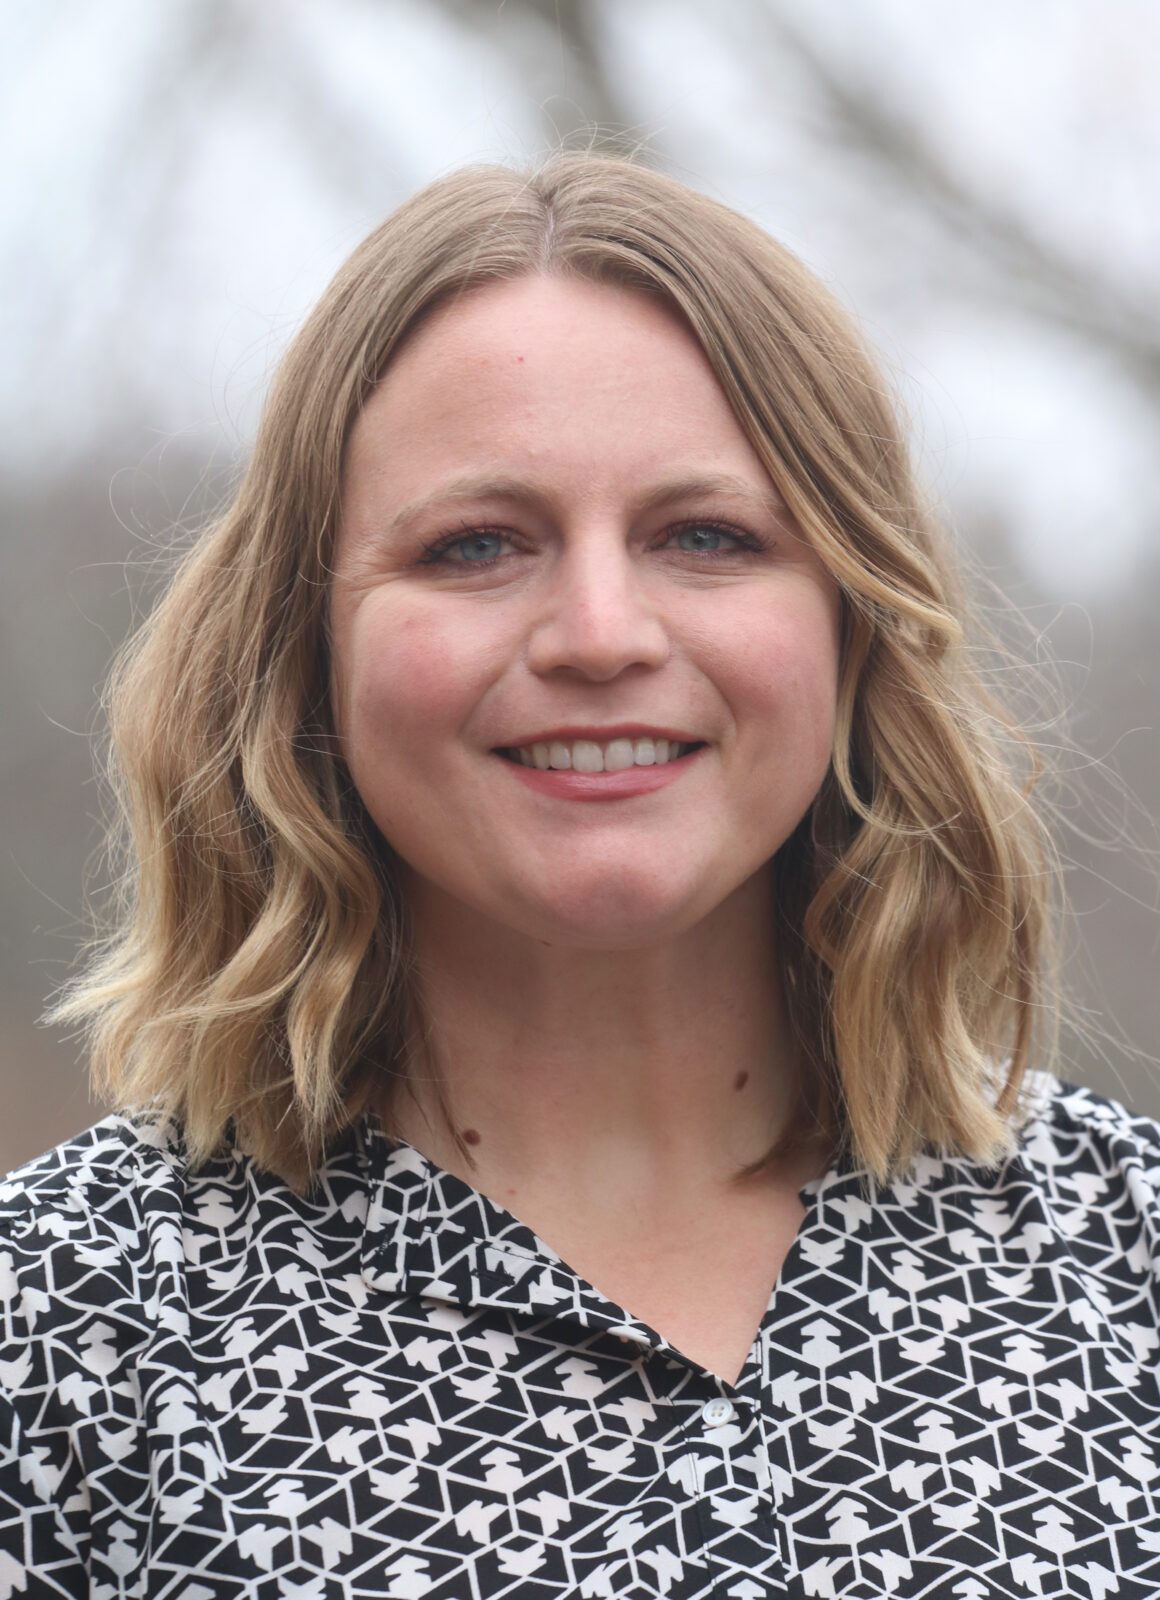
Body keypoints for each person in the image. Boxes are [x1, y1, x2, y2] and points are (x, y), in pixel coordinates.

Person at [1, 153, 1158, 1600]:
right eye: (477, 544)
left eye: (707, 537)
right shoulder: (61, 1340)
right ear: (305, 648)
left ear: (854, 626)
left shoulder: (1123, 1261)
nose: (600, 632)